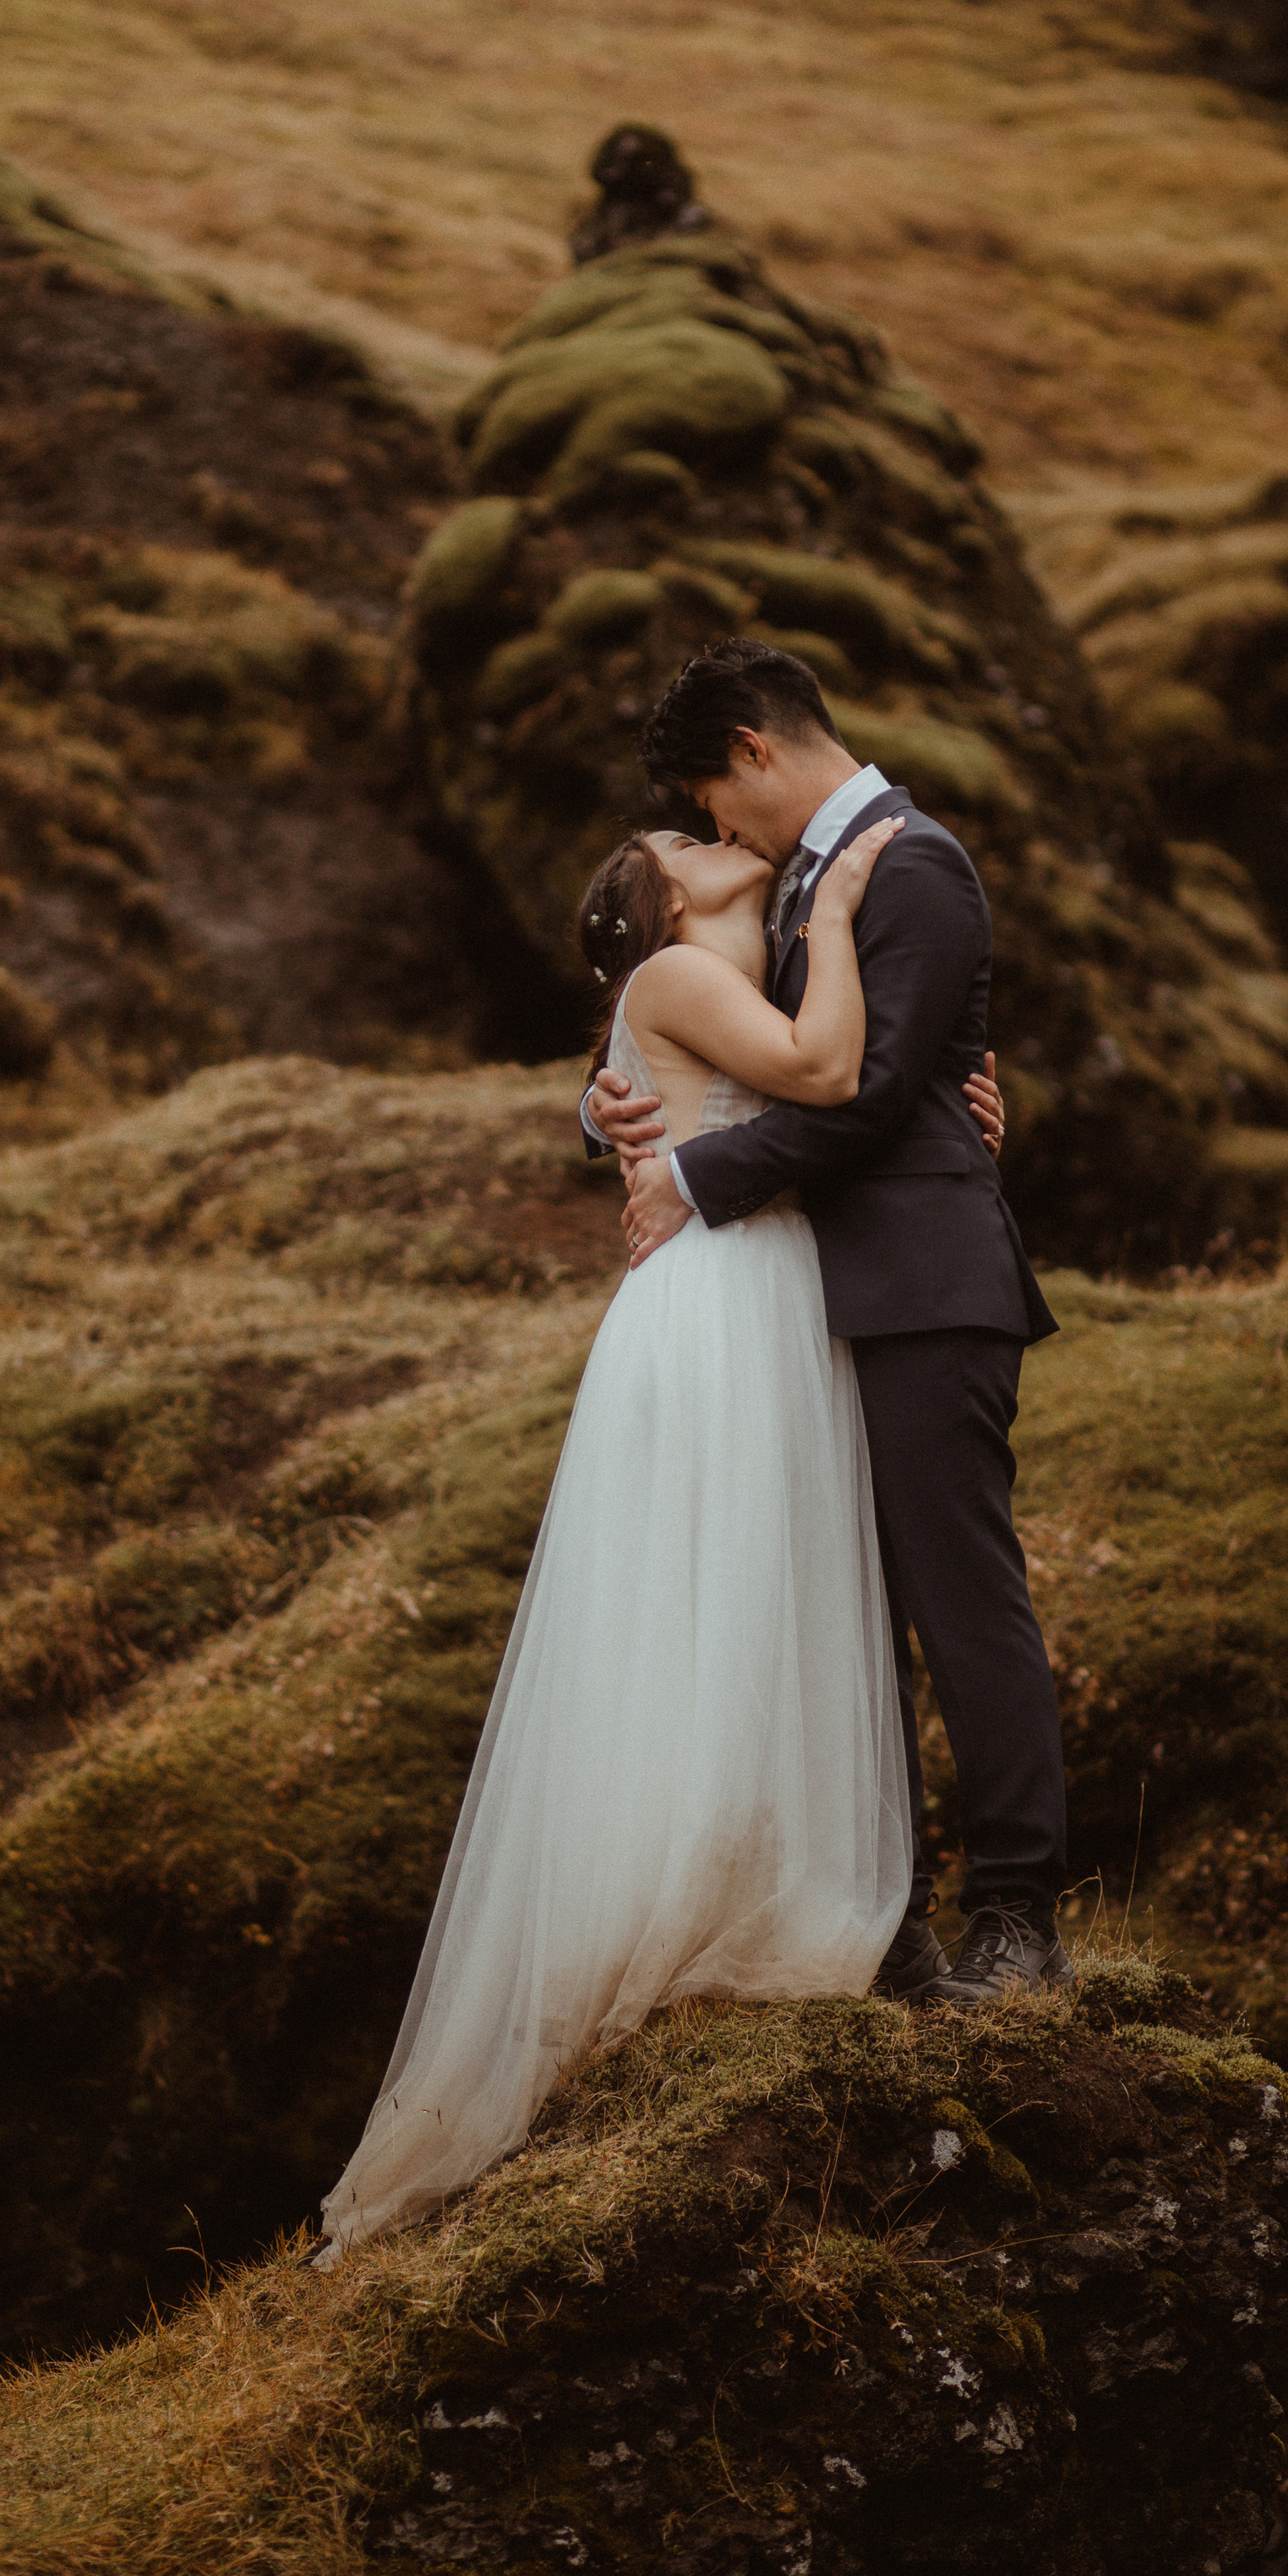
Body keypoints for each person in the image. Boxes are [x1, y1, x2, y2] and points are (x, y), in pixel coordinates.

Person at [320, 807, 914, 2252]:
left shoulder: (713, 980)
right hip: (720, 1304)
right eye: (678, 843)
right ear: (657, 910)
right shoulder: (683, 980)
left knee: (742, 1581)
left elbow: (794, 1085)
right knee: (720, 1581)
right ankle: (696, 1899)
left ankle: (725, 1874)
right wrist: (841, 923)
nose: (706, 835)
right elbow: (820, 1073)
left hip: (746, 1291)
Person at [589, 637, 1072, 2010]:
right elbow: (690, 1034)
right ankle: (881, 1916)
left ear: (753, 748)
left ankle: (1020, 1922)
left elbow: (855, 1101)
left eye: (711, 803)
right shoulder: (794, 879)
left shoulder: (910, 863)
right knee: (840, 1614)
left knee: (959, 1601)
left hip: (920, 1290)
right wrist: (609, 1112)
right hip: (808, 1305)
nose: (710, 834)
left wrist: (688, 1179)